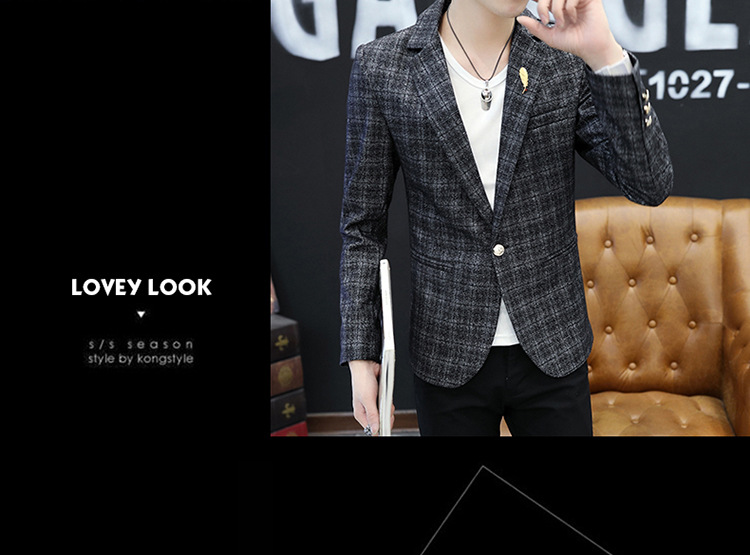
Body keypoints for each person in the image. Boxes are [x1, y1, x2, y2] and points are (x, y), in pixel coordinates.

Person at [339, 0, 672, 436]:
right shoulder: (384, 66)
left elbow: (649, 184)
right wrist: (361, 352)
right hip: (447, 346)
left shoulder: (562, 59)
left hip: (552, 339)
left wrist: (605, 54)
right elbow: (362, 226)